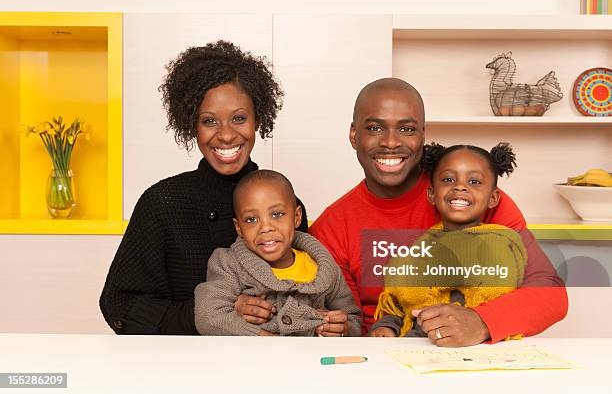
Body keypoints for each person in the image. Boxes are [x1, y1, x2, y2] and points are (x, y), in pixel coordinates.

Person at [308, 77, 567, 346]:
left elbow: (550, 293)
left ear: (423, 135)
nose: (391, 142)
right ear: (354, 135)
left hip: (476, 354)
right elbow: (350, 325)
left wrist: (480, 321)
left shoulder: (470, 199)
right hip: (383, 358)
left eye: (407, 129)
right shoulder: (332, 228)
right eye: (375, 127)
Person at [99, 41, 308, 334]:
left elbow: (306, 291)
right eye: (209, 121)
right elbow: (119, 305)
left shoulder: (285, 202)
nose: (225, 135)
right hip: (183, 366)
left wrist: (328, 319)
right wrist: (218, 312)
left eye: (239, 118)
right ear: (192, 126)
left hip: (267, 363)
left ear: (257, 119)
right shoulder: (162, 203)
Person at [371, 142, 528, 341]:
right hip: (415, 346)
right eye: (448, 179)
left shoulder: (503, 245)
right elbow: (400, 304)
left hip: (478, 348)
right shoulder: (416, 252)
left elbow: (514, 304)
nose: (460, 186)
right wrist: (387, 327)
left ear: (493, 198)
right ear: (432, 194)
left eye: (474, 181)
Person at [194, 170, 361, 336]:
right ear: (239, 228)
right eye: (251, 219)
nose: (265, 227)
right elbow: (208, 316)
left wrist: (342, 329)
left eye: (277, 214)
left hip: (311, 360)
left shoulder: (322, 267)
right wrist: (260, 337)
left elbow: (352, 319)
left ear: (297, 217)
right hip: (251, 359)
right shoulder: (228, 263)